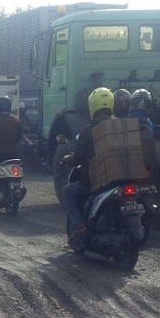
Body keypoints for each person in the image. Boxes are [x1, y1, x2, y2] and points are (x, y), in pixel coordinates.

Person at [61, 87, 115, 237]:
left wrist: (68, 159)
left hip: (94, 182)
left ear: (93, 106)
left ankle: (79, 226)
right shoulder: (119, 127)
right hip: (118, 180)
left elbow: (77, 158)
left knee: (66, 192)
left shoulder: (87, 131)